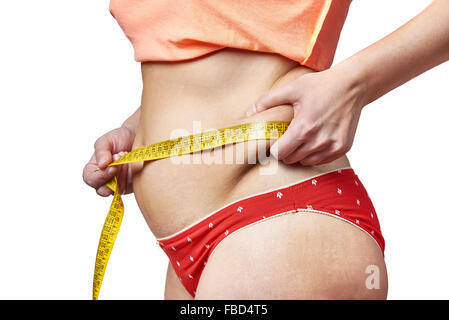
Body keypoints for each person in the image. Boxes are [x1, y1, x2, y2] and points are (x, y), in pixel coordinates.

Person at [82, 0, 449, 299]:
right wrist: (144, 129)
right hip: (201, 249)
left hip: (279, 222)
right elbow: (203, 50)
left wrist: (356, 84)